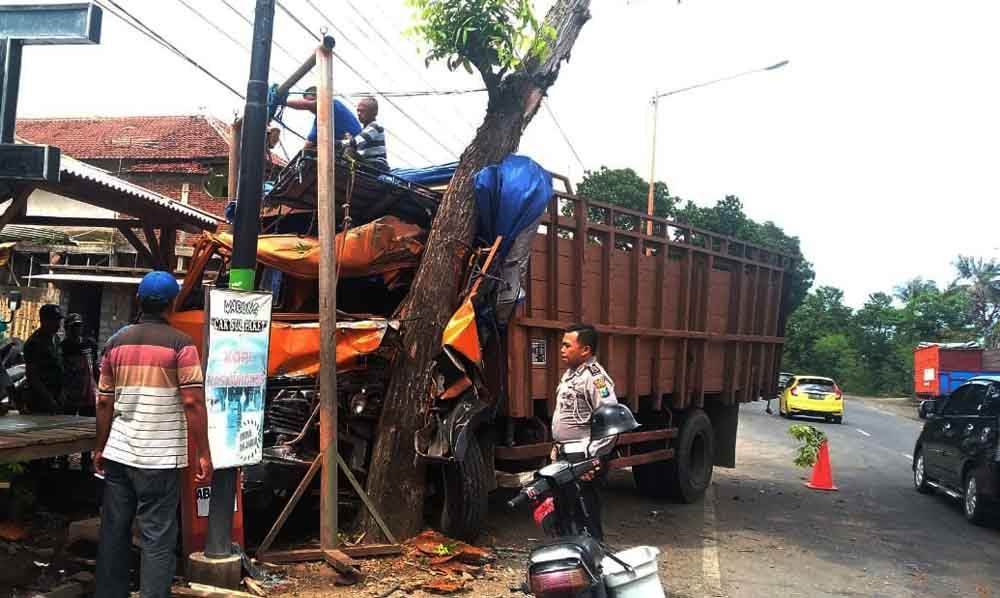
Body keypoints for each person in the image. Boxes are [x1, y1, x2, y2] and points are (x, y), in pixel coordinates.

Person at [95, 271, 213, 598]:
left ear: (139, 300)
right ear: (172, 304)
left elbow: (104, 401)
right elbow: (192, 400)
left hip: (119, 454)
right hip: (160, 459)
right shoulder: (182, 345)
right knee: (157, 537)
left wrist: (99, 447)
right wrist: (203, 452)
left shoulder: (115, 342)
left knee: (114, 533)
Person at [551, 323, 618, 540]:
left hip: (582, 459)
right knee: (564, 516)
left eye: (567, 345)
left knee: (586, 520)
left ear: (585, 350)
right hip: (565, 456)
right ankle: (572, 568)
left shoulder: (595, 378)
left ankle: (594, 567)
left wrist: (593, 460)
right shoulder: (570, 375)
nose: (562, 350)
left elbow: (610, 424)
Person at [284, 86, 362, 151]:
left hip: (357, 146)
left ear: (319, 97)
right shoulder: (320, 119)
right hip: (346, 146)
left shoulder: (332, 104)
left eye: (312, 100)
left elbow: (308, 105)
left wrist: (282, 102)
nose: (310, 108)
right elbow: (309, 142)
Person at [23, 304, 65, 414]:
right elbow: (32, 376)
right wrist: (49, 399)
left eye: (59, 320)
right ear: (44, 320)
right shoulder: (34, 343)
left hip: (57, 397)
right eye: (54, 320)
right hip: (40, 401)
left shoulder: (56, 339)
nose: (58, 324)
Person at [348, 96, 389, 171]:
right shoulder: (363, 130)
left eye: (363, 111)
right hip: (368, 163)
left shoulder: (375, 126)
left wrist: (338, 143)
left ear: (374, 113)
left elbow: (357, 142)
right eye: (358, 111)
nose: (359, 113)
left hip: (377, 165)